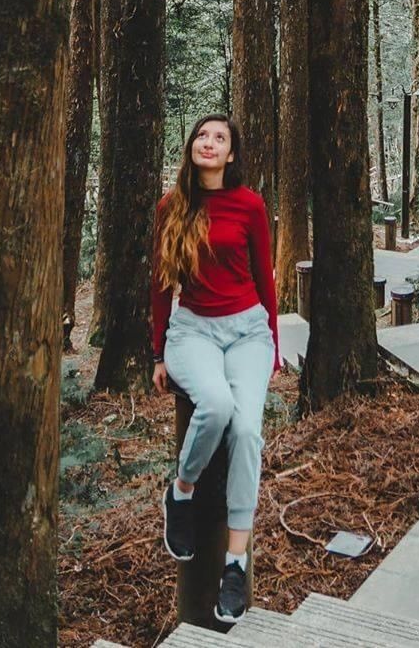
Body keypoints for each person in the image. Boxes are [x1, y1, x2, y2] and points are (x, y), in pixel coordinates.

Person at [151, 113, 280, 625]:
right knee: (218, 406)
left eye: (219, 138)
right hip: (193, 331)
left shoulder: (249, 205)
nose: (209, 142)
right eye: (202, 136)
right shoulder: (172, 206)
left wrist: (271, 345)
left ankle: (235, 561)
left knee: (247, 429)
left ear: (231, 155)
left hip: (247, 330)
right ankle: (180, 492)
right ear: (192, 148)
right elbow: (161, 284)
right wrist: (158, 352)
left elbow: (266, 281)